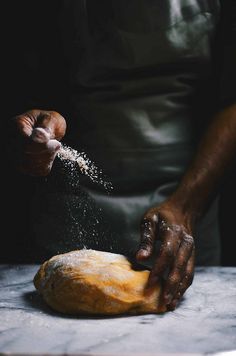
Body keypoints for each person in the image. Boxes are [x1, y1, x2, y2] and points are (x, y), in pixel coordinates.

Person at [2, 0, 236, 311]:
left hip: (185, 200)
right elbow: (23, 70)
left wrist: (187, 206)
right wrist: (34, 125)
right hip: (71, 209)